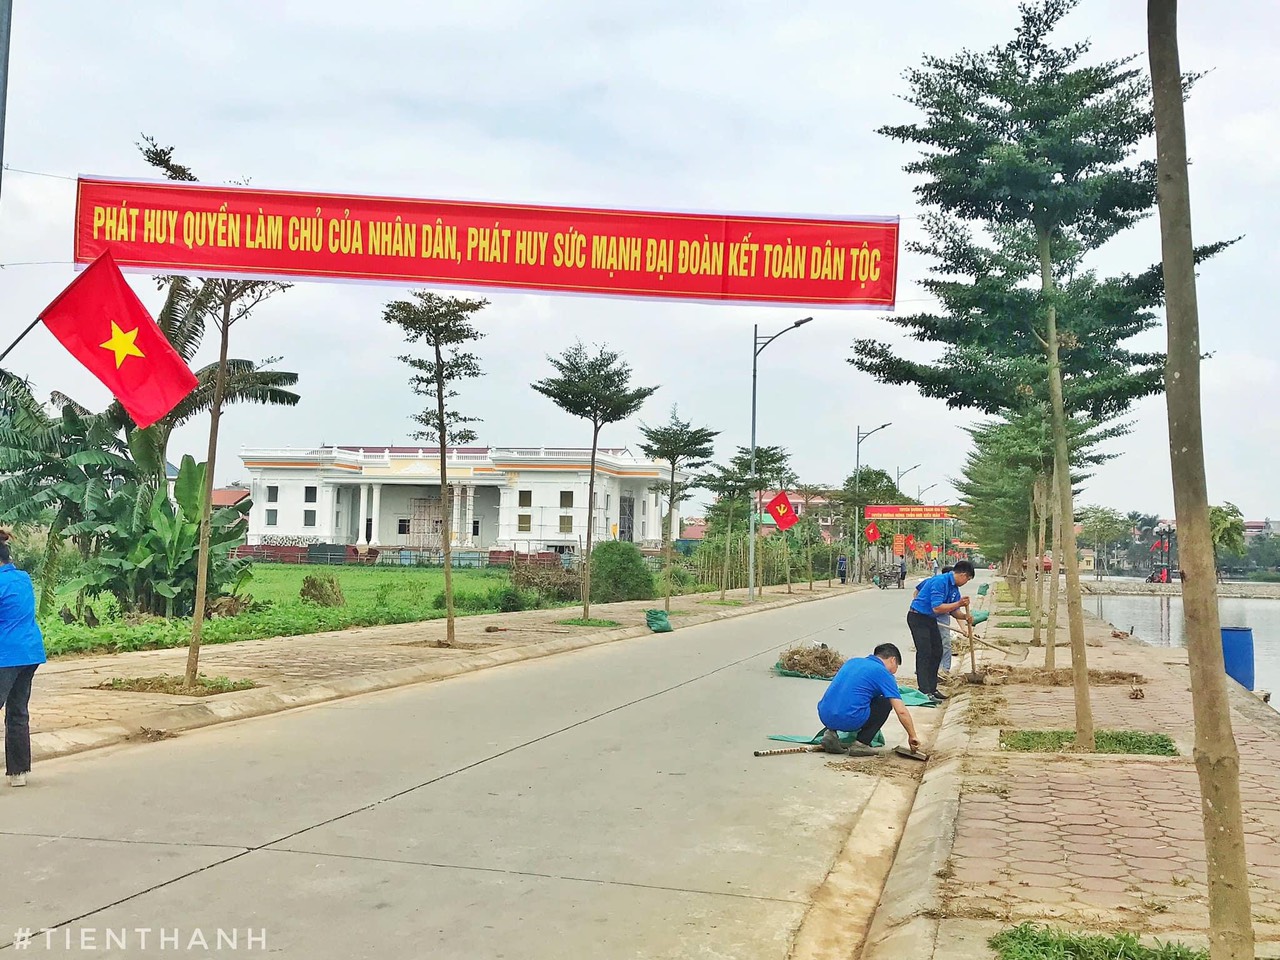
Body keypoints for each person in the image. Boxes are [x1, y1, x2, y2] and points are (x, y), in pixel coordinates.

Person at [0, 532, 47, 787]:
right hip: (29, 652)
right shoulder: (23, 578)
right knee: (18, 711)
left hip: (6, 655)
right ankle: (18, 773)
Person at [817, 643, 921, 757]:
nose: (894, 671)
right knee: (884, 703)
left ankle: (830, 733)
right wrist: (912, 735)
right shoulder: (883, 673)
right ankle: (861, 744)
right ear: (893, 660)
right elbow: (901, 711)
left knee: (851, 697)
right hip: (850, 718)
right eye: (896, 666)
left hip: (825, 715)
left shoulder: (852, 662)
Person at [908, 560, 974, 702]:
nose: (966, 582)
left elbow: (954, 611)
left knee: (937, 651)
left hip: (930, 619)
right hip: (918, 617)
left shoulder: (954, 589)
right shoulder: (940, 582)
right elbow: (937, 608)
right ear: (963, 575)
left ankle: (932, 688)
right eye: (967, 579)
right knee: (925, 652)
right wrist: (959, 603)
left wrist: (964, 616)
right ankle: (924, 690)